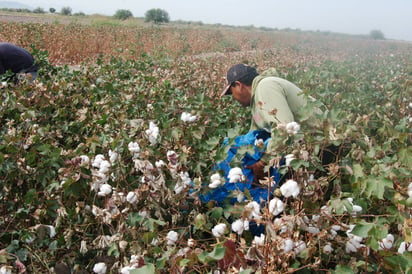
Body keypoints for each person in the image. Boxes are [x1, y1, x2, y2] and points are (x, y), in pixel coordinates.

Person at [221, 63, 320, 183]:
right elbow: (255, 135)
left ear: (238, 85)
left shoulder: (265, 87)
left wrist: (263, 162)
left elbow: (284, 128)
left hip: (320, 144)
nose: (234, 98)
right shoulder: (256, 102)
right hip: (306, 147)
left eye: (232, 92)